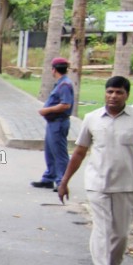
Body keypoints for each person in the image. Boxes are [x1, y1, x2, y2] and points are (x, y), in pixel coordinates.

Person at [57, 76, 133, 265]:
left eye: (119, 92)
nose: (113, 96)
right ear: (105, 93)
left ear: (127, 95)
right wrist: (64, 181)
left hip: (125, 185)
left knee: (120, 236)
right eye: (110, 91)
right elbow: (80, 151)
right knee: (102, 231)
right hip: (97, 184)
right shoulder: (92, 118)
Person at [33, 57, 74, 190]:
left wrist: (47, 110)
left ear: (54, 69)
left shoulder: (65, 85)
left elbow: (65, 105)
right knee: (50, 151)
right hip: (53, 122)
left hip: (59, 122)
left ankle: (62, 181)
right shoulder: (61, 83)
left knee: (59, 153)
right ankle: (49, 177)